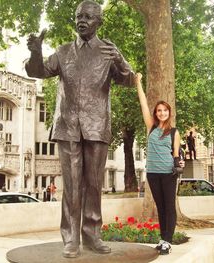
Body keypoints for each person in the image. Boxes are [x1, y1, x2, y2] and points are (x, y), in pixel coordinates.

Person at [25, 0, 135, 258]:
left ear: (99, 22)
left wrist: (120, 58)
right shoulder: (63, 52)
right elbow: (38, 71)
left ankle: (92, 235)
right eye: (78, 16)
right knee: (72, 186)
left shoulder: (109, 51)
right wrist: (36, 52)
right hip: (68, 126)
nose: (81, 20)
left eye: (87, 16)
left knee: (95, 184)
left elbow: (130, 80)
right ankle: (71, 238)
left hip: (97, 126)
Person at [135, 73, 184, 255]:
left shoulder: (174, 132)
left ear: (169, 112)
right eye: (159, 111)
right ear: (156, 113)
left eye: (165, 110)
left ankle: (168, 241)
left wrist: (179, 164)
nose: (161, 113)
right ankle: (163, 239)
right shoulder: (151, 127)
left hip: (168, 174)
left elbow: (176, 155)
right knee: (160, 207)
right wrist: (138, 82)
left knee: (169, 207)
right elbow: (143, 104)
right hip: (153, 174)